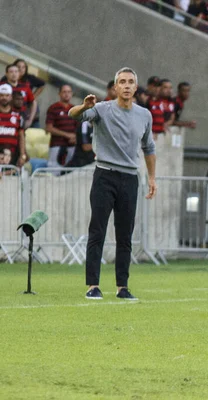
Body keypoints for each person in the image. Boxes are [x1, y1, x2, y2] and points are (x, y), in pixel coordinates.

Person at [68, 67, 157, 301]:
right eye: (122, 82)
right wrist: (85, 107)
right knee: (97, 230)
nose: (126, 86)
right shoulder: (101, 109)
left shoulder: (144, 115)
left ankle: (122, 287)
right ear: (115, 87)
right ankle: (92, 285)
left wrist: (152, 177)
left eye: (130, 82)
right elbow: (72, 114)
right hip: (104, 175)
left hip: (129, 178)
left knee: (125, 235)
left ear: (136, 87)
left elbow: (149, 148)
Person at [46, 84, 77, 170]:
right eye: (64, 92)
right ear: (59, 93)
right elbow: (49, 128)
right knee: (54, 172)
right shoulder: (53, 108)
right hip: (57, 145)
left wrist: (75, 137)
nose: (67, 94)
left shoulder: (75, 109)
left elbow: (78, 127)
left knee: (70, 172)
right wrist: (67, 135)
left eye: (69, 92)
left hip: (72, 146)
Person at [0, 84, 26, 166]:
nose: (4, 98)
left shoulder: (18, 116)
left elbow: (21, 137)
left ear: (11, 97)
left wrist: (22, 155)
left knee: (10, 177)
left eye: (7, 95)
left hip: (13, 155)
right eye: (1, 95)